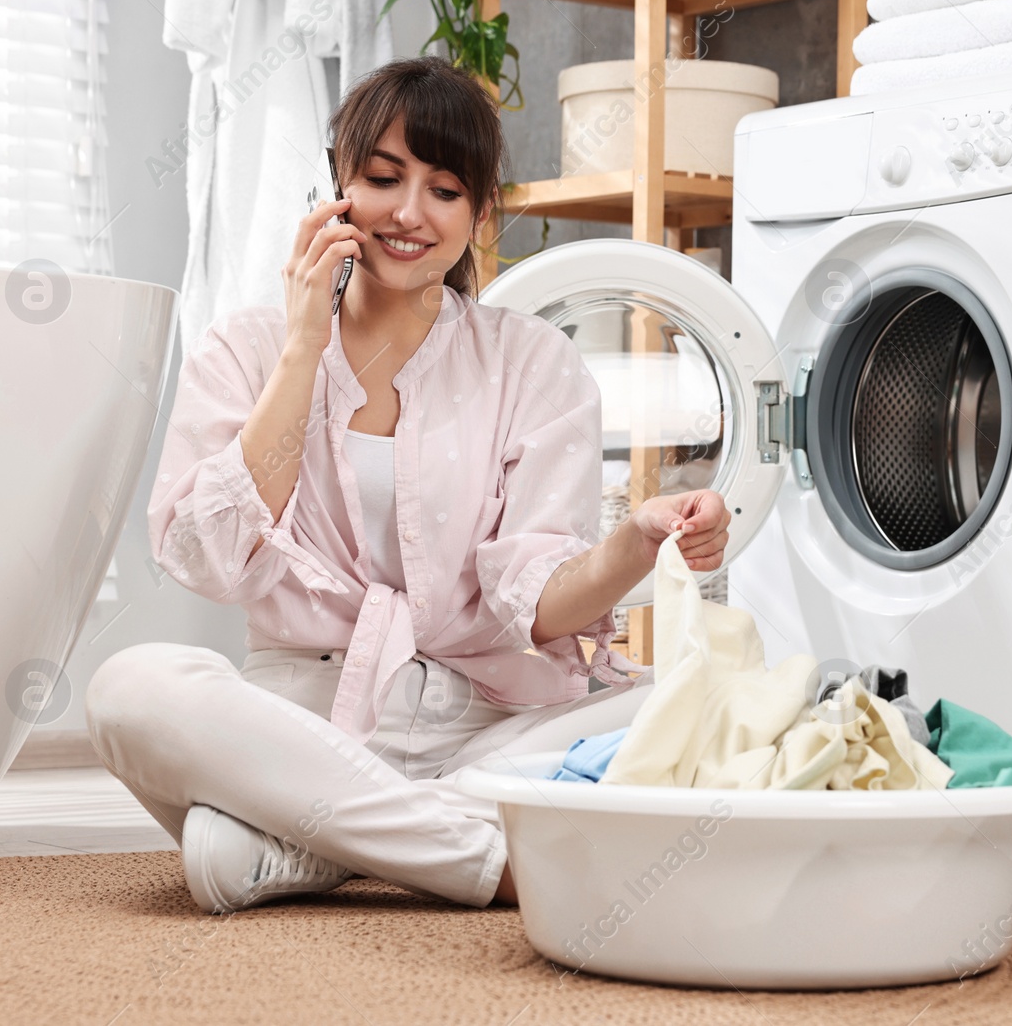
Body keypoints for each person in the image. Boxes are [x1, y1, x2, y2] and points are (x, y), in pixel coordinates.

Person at [84, 56, 730, 915]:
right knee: (130, 687)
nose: (409, 213)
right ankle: (478, 854)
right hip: (303, 718)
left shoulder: (531, 362)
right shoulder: (246, 348)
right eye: (383, 178)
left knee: (698, 692)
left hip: (489, 722)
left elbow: (537, 602)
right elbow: (206, 556)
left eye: (445, 189)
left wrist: (635, 539)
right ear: (338, 186)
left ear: (482, 213)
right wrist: (303, 344)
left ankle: (336, 836)